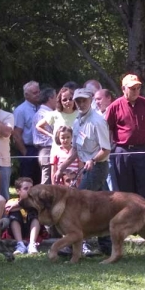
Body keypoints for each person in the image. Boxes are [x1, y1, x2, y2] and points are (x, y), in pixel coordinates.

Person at [54, 87, 112, 255]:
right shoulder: (78, 121)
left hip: (98, 167)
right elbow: (75, 151)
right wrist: (61, 168)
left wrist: (93, 160)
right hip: (89, 167)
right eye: (77, 101)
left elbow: (106, 149)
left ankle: (73, 245)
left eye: (83, 100)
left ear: (91, 100)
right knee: (104, 207)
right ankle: (107, 246)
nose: (80, 103)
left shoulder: (97, 121)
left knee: (76, 204)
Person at [106, 74, 145, 206]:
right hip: (122, 152)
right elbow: (107, 129)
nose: (136, 91)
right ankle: (129, 221)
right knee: (125, 189)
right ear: (123, 89)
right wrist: (107, 149)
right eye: (132, 88)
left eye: (138, 88)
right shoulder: (114, 106)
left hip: (143, 150)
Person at [36, 86, 79, 183]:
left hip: (75, 151)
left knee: (75, 177)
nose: (68, 102)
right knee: (54, 177)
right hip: (57, 150)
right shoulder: (54, 114)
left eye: (70, 99)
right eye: (64, 99)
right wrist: (51, 135)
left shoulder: (79, 114)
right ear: (60, 100)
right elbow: (38, 126)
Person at [13, 81, 41, 184]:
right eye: (35, 93)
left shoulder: (42, 107)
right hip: (28, 150)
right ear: (26, 95)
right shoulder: (20, 110)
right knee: (27, 181)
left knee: (40, 180)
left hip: (41, 149)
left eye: (38, 92)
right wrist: (25, 153)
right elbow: (16, 134)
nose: (38, 94)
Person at [5, 177, 40, 255]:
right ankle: (20, 245)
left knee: (34, 212)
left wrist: (18, 205)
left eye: (31, 188)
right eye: (26, 188)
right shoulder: (12, 201)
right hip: (16, 230)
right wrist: (24, 205)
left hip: (31, 229)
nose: (30, 191)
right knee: (14, 214)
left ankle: (32, 244)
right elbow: (8, 209)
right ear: (18, 191)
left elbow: (38, 207)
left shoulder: (36, 201)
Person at [32, 87, 57, 184]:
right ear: (50, 98)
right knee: (47, 179)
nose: (57, 100)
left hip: (50, 149)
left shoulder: (46, 113)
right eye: (55, 97)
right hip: (47, 149)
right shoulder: (45, 114)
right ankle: (44, 198)